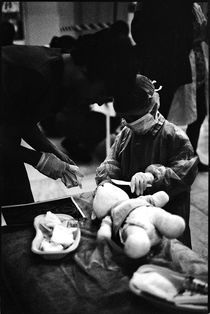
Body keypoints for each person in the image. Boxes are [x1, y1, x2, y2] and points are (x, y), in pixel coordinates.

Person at [0, 25, 134, 208]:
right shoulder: (31, 73)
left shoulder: (57, 79)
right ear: (85, 69)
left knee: (21, 205)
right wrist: (39, 160)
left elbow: (20, 121)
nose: (101, 102)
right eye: (103, 92)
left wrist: (53, 152)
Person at [95, 74, 199, 248]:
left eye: (135, 118)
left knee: (169, 251)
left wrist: (153, 176)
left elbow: (184, 172)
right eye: (126, 118)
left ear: (153, 107)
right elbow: (111, 161)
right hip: (133, 212)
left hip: (166, 209)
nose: (130, 123)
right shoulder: (126, 134)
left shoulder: (173, 136)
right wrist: (107, 182)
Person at [131, 0, 194, 119]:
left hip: (152, 62)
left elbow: (137, 32)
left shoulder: (147, 4)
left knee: (148, 114)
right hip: (176, 63)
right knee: (163, 113)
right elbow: (189, 34)